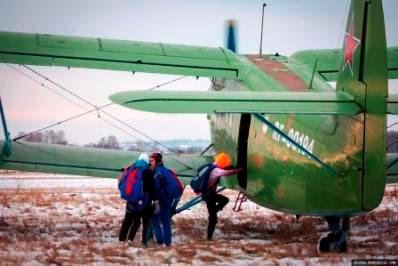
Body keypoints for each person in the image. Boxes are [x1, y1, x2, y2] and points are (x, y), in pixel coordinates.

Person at [118, 153, 157, 246]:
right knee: (146, 222)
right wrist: (155, 199)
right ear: (147, 161)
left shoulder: (130, 169)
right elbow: (151, 188)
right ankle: (145, 242)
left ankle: (124, 238)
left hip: (131, 201)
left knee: (131, 220)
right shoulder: (147, 171)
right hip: (144, 201)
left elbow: (121, 184)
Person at [202, 152, 242, 240]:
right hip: (208, 195)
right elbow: (226, 172)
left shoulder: (212, 166)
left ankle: (210, 234)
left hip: (207, 194)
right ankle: (209, 237)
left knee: (215, 211)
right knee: (215, 213)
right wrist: (239, 170)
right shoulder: (216, 171)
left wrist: (232, 167)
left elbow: (225, 169)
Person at [150, 152, 183, 247]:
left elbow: (156, 187)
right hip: (169, 199)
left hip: (161, 199)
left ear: (156, 161)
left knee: (153, 219)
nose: (150, 163)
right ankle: (168, 243)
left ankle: (160, 240)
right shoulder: (166, 170)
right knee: (165, 221)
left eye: (151, 161)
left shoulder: (157, 172)